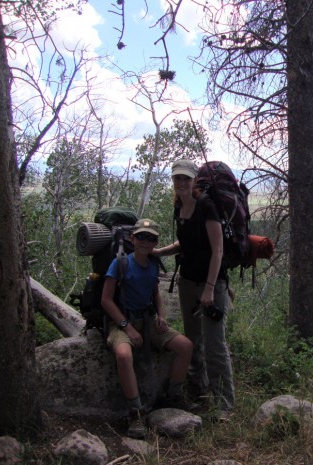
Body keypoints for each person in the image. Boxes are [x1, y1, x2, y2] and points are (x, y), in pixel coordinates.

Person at [101, 218, 198, 438]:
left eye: (151, 238)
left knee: (185, 346)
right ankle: (135, 412)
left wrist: (161, 316)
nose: (146, 242)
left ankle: (173, 396)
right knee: (124, 355)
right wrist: (127, 328)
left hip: (149, 320)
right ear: (132, 239)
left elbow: (155, 294)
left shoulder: (153, 264)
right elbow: (106, 300)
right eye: (142, 237)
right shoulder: (120, 263)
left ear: (156, 242)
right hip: (122, 322)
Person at [154, 159, 234, 422]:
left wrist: (210, 289)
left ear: (194, 181)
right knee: (193, 341)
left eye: (186, 178)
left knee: (214, 344)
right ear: (173, 181)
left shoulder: (206, 206)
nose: (182, 183)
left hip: (211, 284)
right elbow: (185, 241)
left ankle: (224, 405)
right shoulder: (180, 206)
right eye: (177, 178)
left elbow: (218, 250)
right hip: (187, 282)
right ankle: (199, 392)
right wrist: (160, 251)